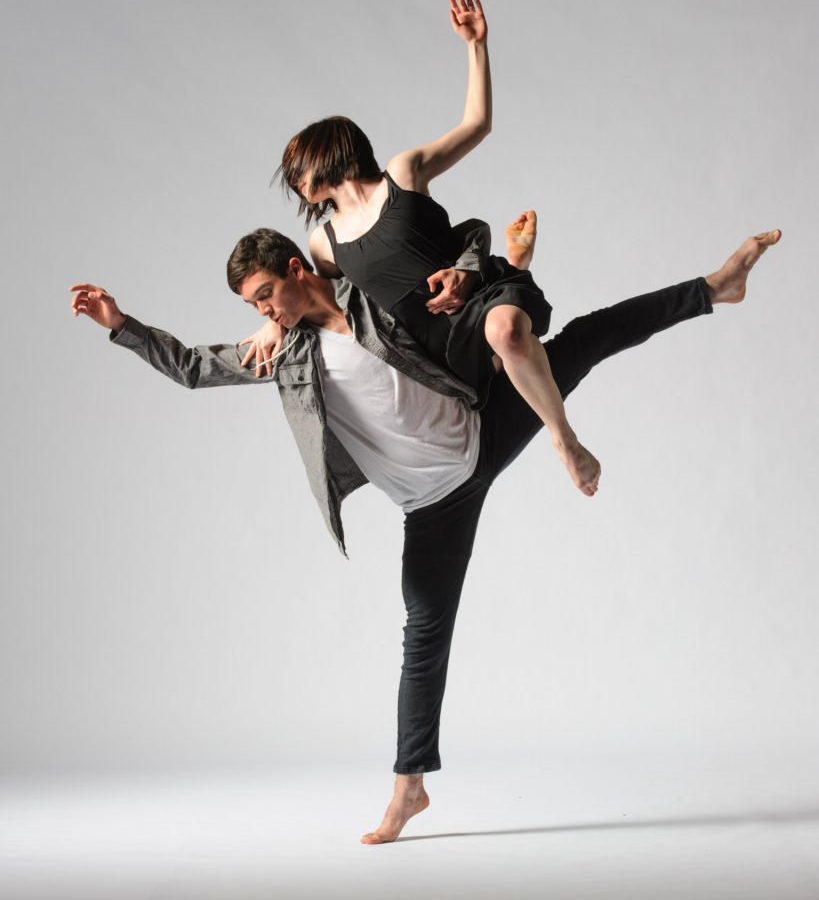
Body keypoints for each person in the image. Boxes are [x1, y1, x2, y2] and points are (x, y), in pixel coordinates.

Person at [69, 224, 781, 844]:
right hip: (432, 504)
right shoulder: (284, 353)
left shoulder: (371, 291)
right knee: (424, 634)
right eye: (252, 307)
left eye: (264, 296)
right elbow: (194, 369)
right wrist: (119, 323)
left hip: (485, 424)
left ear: (295, 270)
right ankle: (409, 787)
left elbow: (448, 256)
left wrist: (493, 270)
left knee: (581, 340)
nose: (263, 313)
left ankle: (713, 288)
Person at [268, 0, 603, 496]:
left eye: (299, 167)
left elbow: (477, 125)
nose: (295, 180)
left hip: (478, 301)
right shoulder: (323, 244)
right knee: (498, 366)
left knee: (508, 332)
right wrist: (270, 324)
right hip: (434, 353)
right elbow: (310, 302)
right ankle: (517, 262)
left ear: (329, 152)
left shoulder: (402, 174)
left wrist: (477, 46)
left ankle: (565, 440)